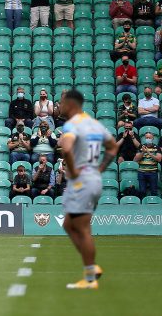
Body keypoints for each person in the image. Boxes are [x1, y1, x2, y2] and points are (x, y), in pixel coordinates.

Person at [58, 89, 117, 289]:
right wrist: (100, 168)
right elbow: (112, 146)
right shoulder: (94, 123)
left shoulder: (72, 124)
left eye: (62, 102)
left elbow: (66, 148)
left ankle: (90, 277)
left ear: (71, 104)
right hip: (92, 177)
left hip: (81, 180)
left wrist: (73, 171)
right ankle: (92, 269)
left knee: (82, 229)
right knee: (69, 224)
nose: (59, 105)